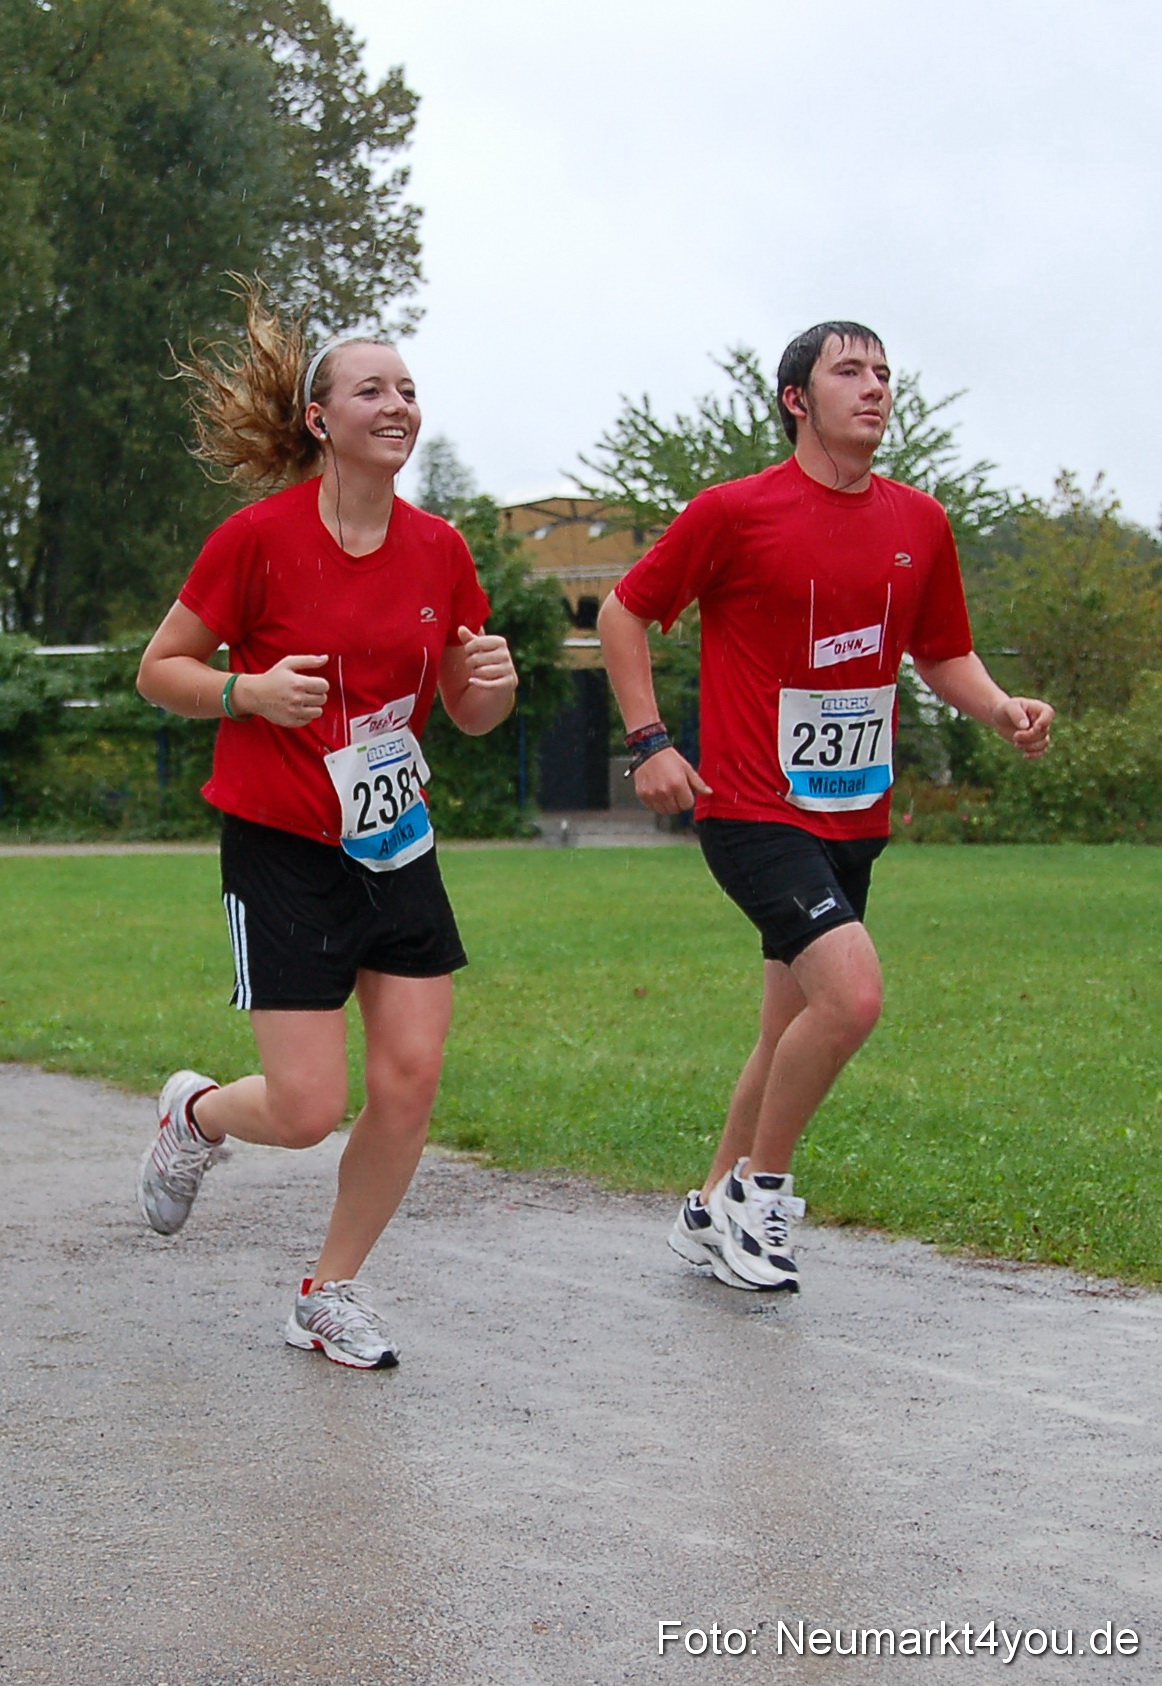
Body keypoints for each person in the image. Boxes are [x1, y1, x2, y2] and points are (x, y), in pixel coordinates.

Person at [598, 321, 1053, 1294]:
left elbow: (938, 651)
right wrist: (651, 742)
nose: (875, 388)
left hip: (854, 811)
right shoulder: (734, 512)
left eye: (884, 373)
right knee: (851, 996)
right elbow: (622, 610)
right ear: (797, 399)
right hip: (751, 808)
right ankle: (757, 1198)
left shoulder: (919, 522)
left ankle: (705, 1199)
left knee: (784, 1031)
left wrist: (999, 706)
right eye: (850, 371)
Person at [135, 286, 517, 1367]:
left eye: (407, 390)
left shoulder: (440, 549)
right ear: (320, 419)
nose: (396, 405)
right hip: (283, 845)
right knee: (307, 1107)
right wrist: (244, 694)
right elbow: (159, 668)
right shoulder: (255, 540)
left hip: (395, 840)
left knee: (409, 1081)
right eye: (371, 390)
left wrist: (493, 681)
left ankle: (329, 1290)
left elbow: (470, 713)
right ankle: (197, 1117)